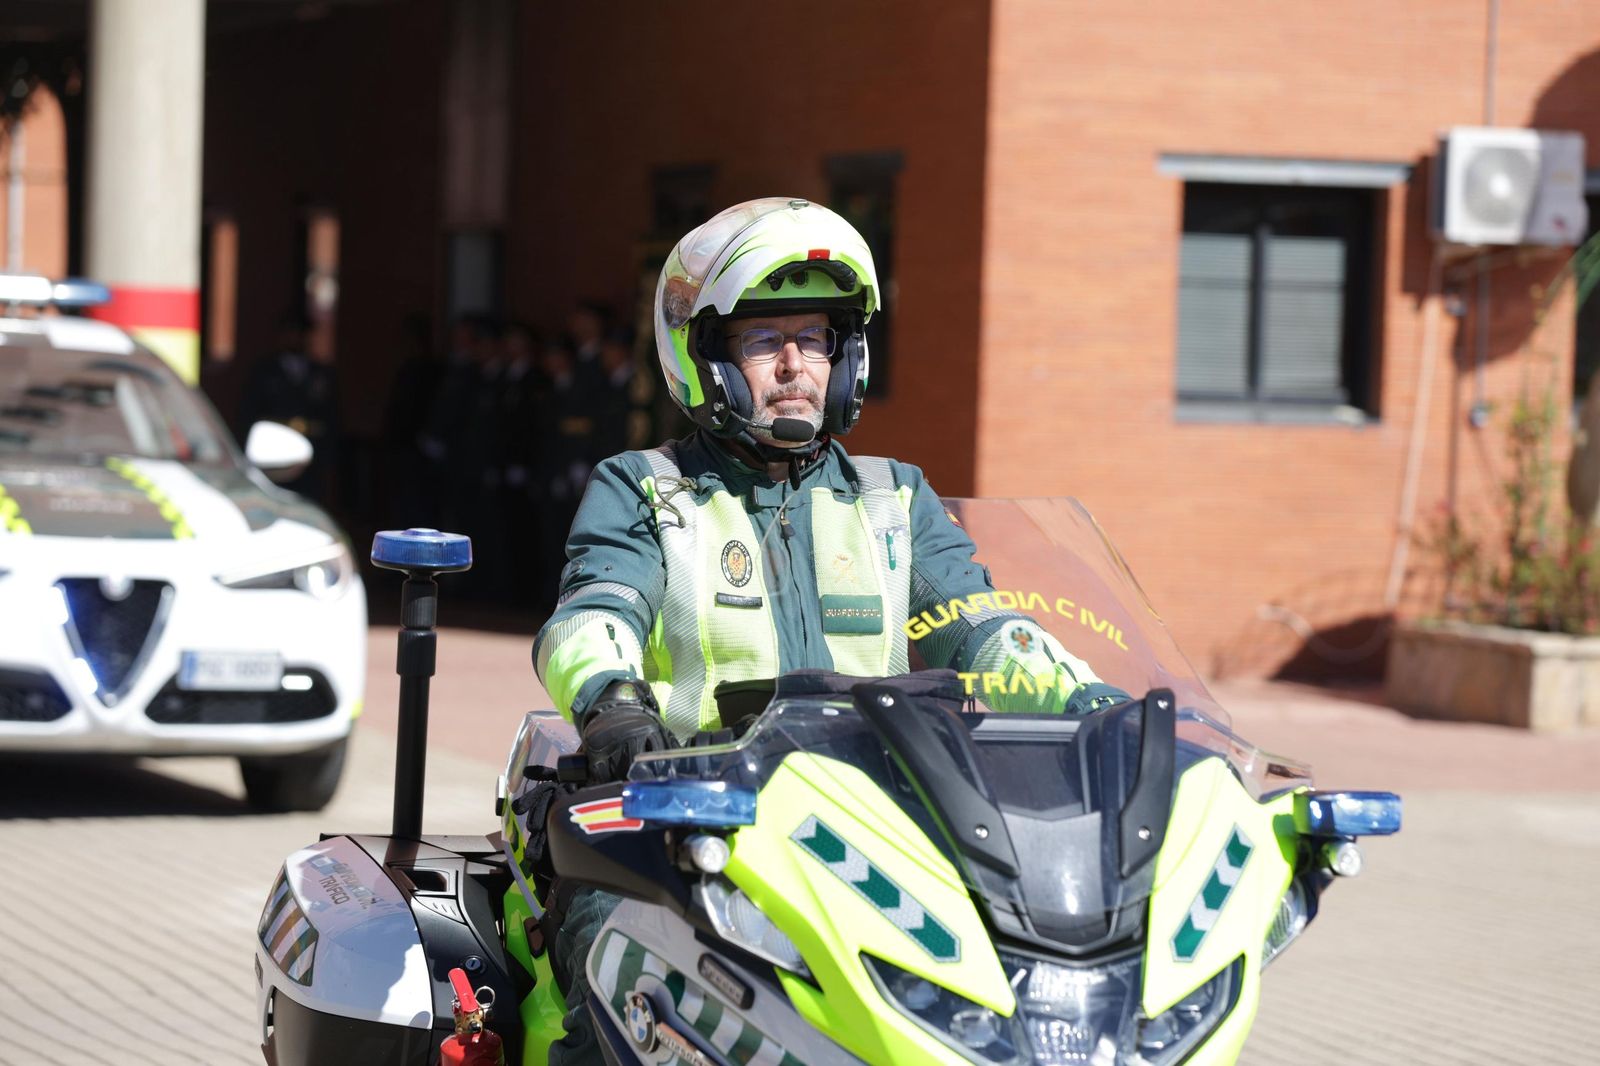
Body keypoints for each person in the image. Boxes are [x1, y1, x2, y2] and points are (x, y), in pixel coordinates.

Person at [530, 197, 1125, 1064]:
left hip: (872, 820)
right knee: (629, 980)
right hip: (681, 819)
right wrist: (615, 704)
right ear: (707, 358)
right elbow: (595, 611)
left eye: (815, 340)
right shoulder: (647, 489)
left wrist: (1097, 706)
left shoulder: (893, 499)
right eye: (767, 342)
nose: (796, 366)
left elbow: (982, 625)